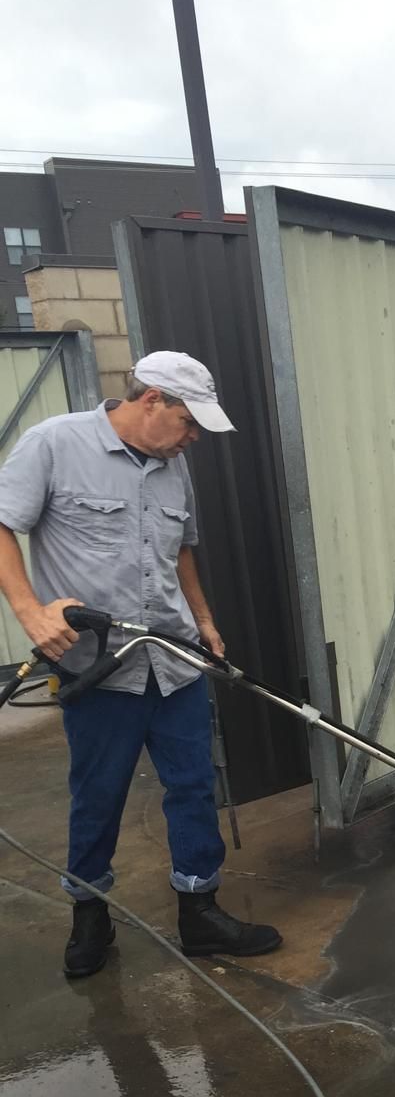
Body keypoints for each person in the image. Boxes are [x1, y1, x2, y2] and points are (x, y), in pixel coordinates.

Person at [0, 350, 282, 978]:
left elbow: (180, 549)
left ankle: (199, 911)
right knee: (98, 795)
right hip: (99, 669)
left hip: (171, 658)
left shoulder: (171, 467)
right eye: (187, 424)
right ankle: (90, 914)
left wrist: (203, 619)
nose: (191, 441)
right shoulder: (54, 444)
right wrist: (30, 613)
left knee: (192, 785)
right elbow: (2, 524)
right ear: (151, 399)